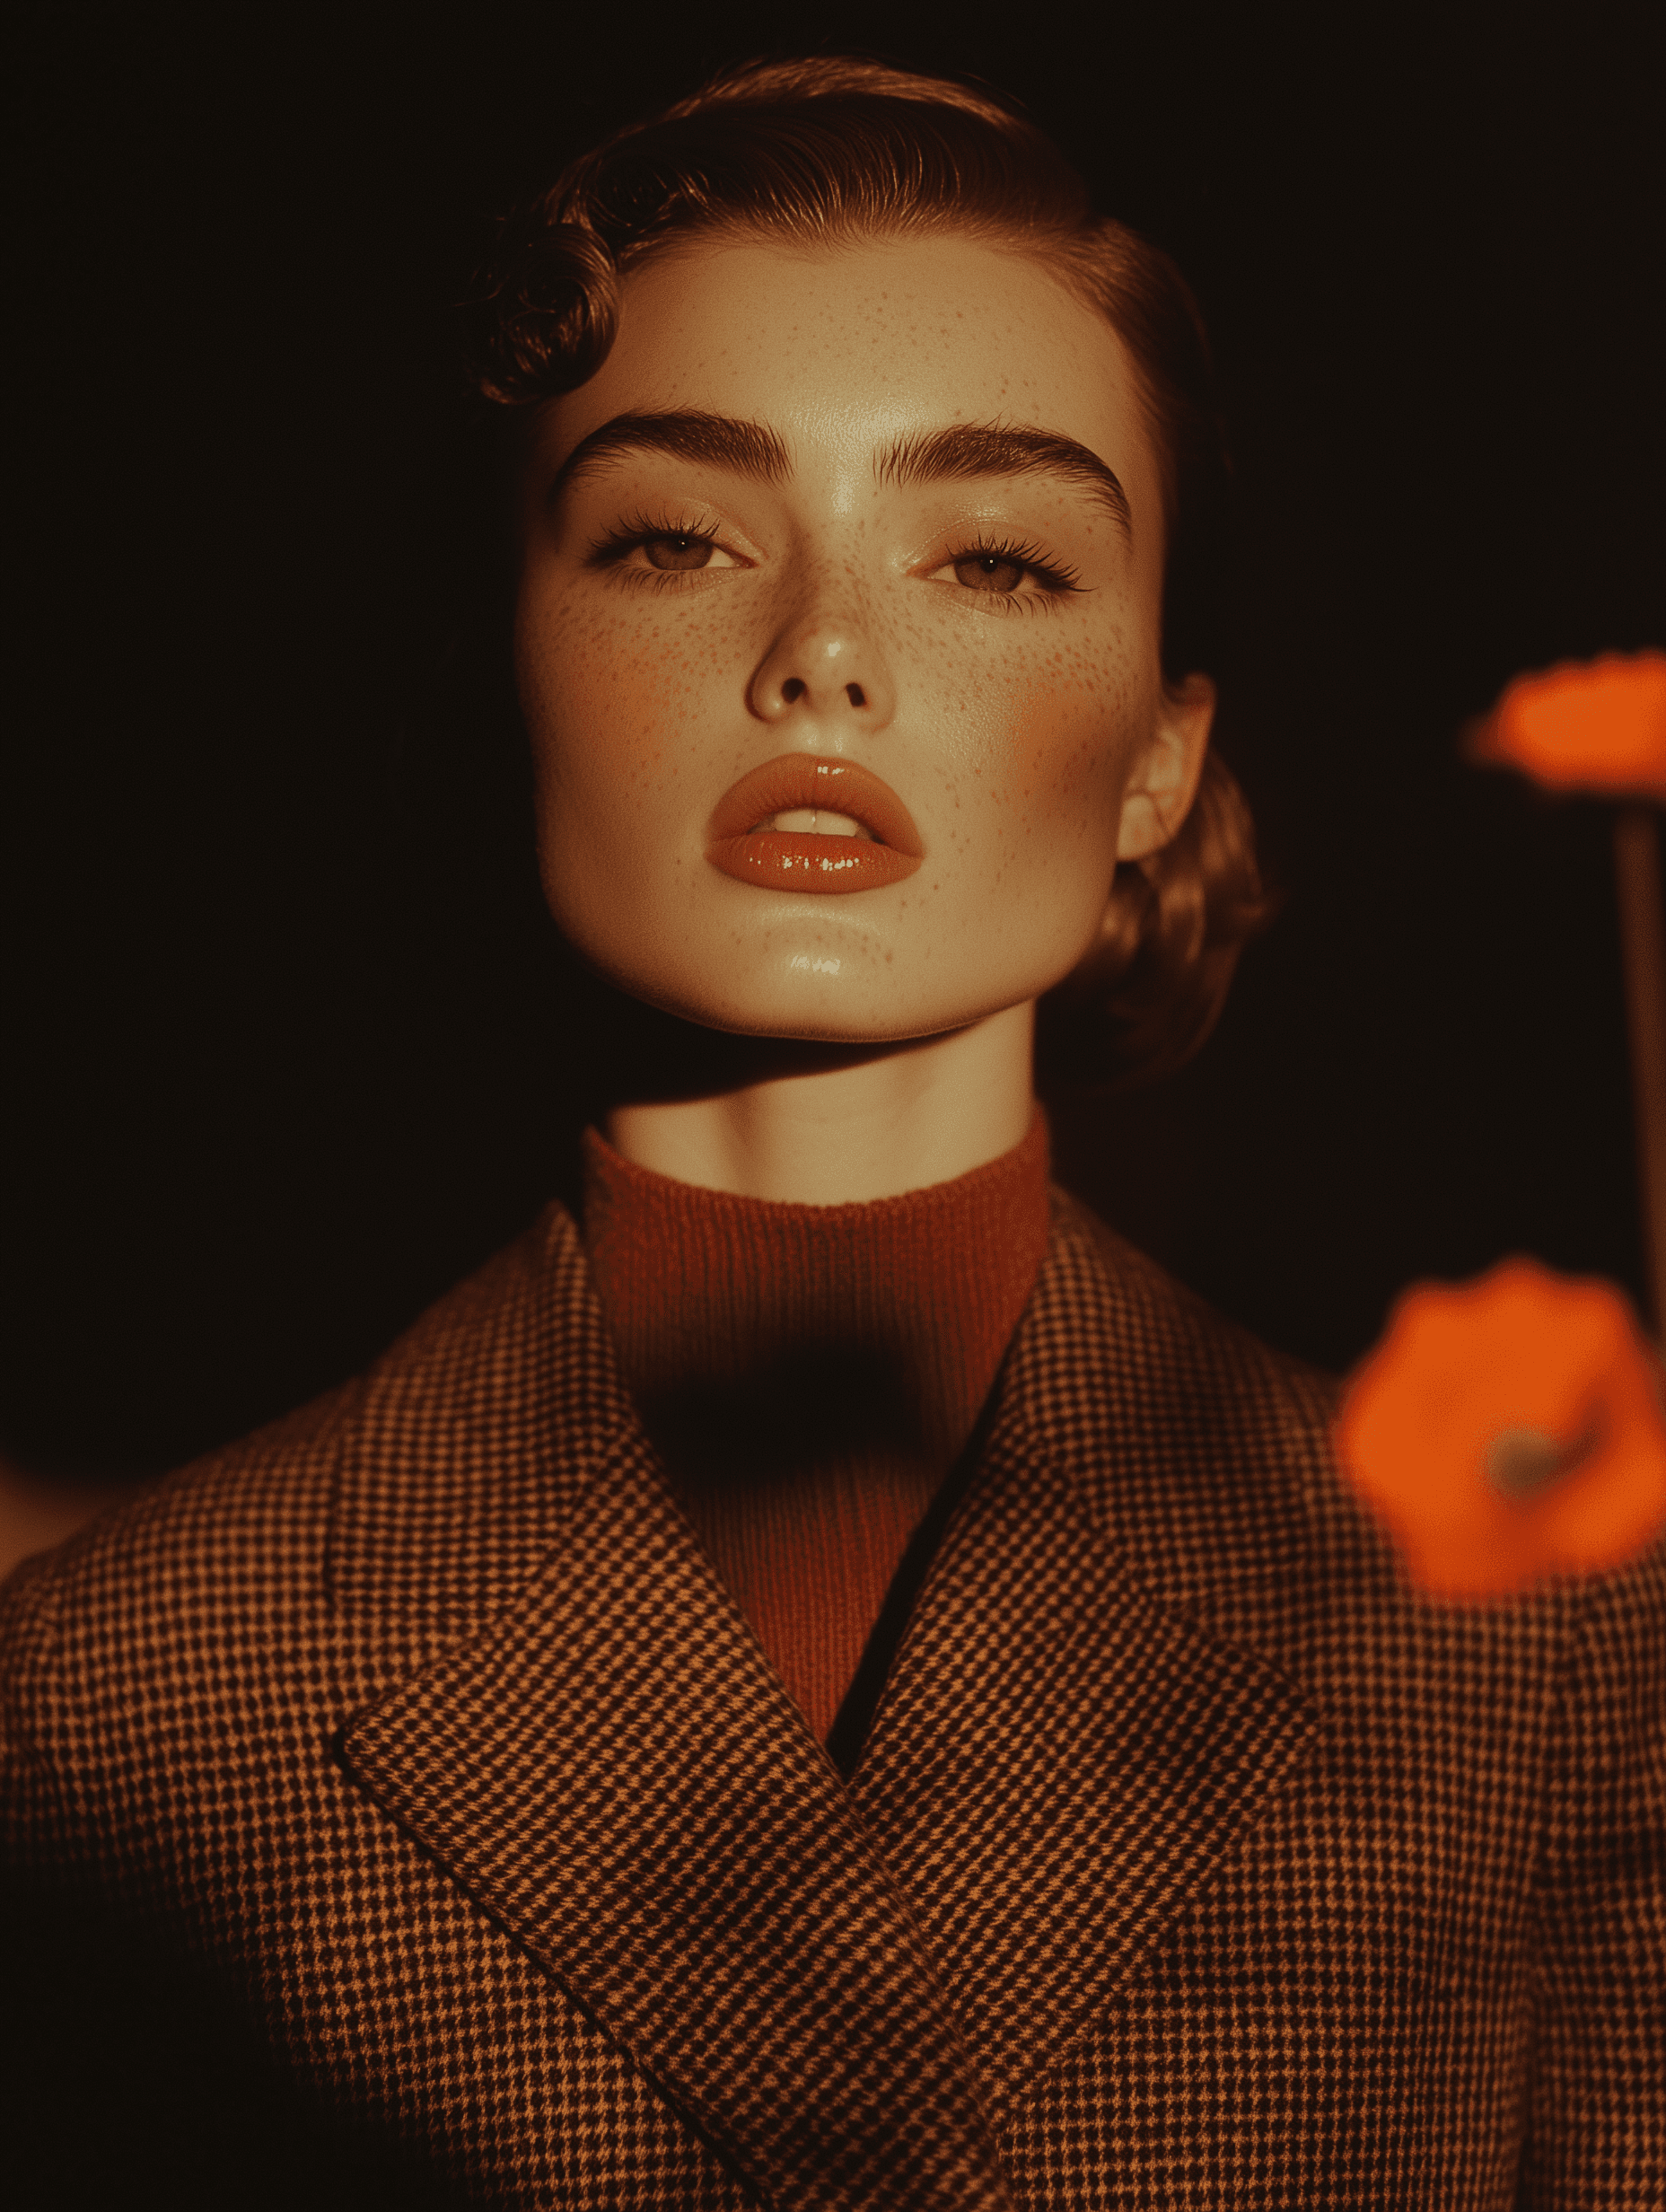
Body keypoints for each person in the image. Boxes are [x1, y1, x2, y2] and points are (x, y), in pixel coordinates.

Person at [3, 55, 1661, 2212]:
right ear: (499, 656)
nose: (825, 660)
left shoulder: (1538, 1650)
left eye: (991, 558)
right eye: (674, 535)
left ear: (1164, 758)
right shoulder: (114, 1700)